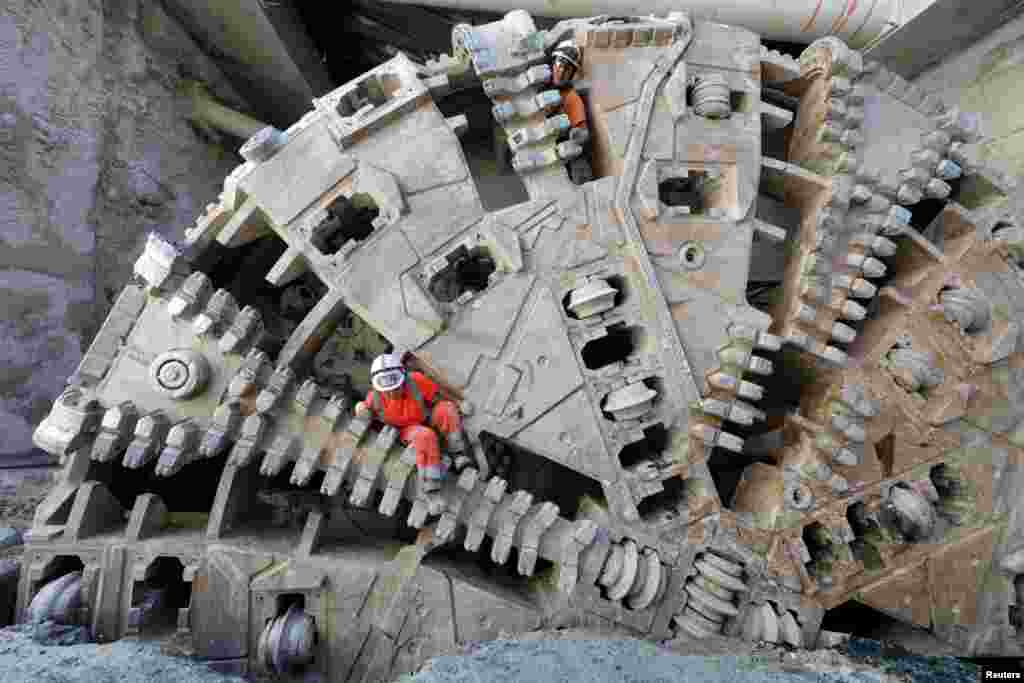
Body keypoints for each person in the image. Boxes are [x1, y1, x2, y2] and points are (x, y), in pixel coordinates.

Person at [354, 353, 467, 507]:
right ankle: (431, 491)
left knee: (446, 409)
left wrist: (458, 403)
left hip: (425, 418)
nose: (392, 393)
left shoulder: (416, 381)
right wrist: (360, 408)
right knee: (424, 436)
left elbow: (439, 393)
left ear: (403, 379)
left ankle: (458, 454)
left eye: (395, 387)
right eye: (387, 390)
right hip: (405, 430)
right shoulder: (375, 398)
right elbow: (364, 409)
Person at [550, 40, 594, 185]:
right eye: (560, 64)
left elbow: (582, 131)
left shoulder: (571, 97)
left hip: (559, 147)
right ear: (553, 62)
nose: (561, 72)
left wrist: (578, 134)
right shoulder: (540, 84)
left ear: (572, 74)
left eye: (567, 69)